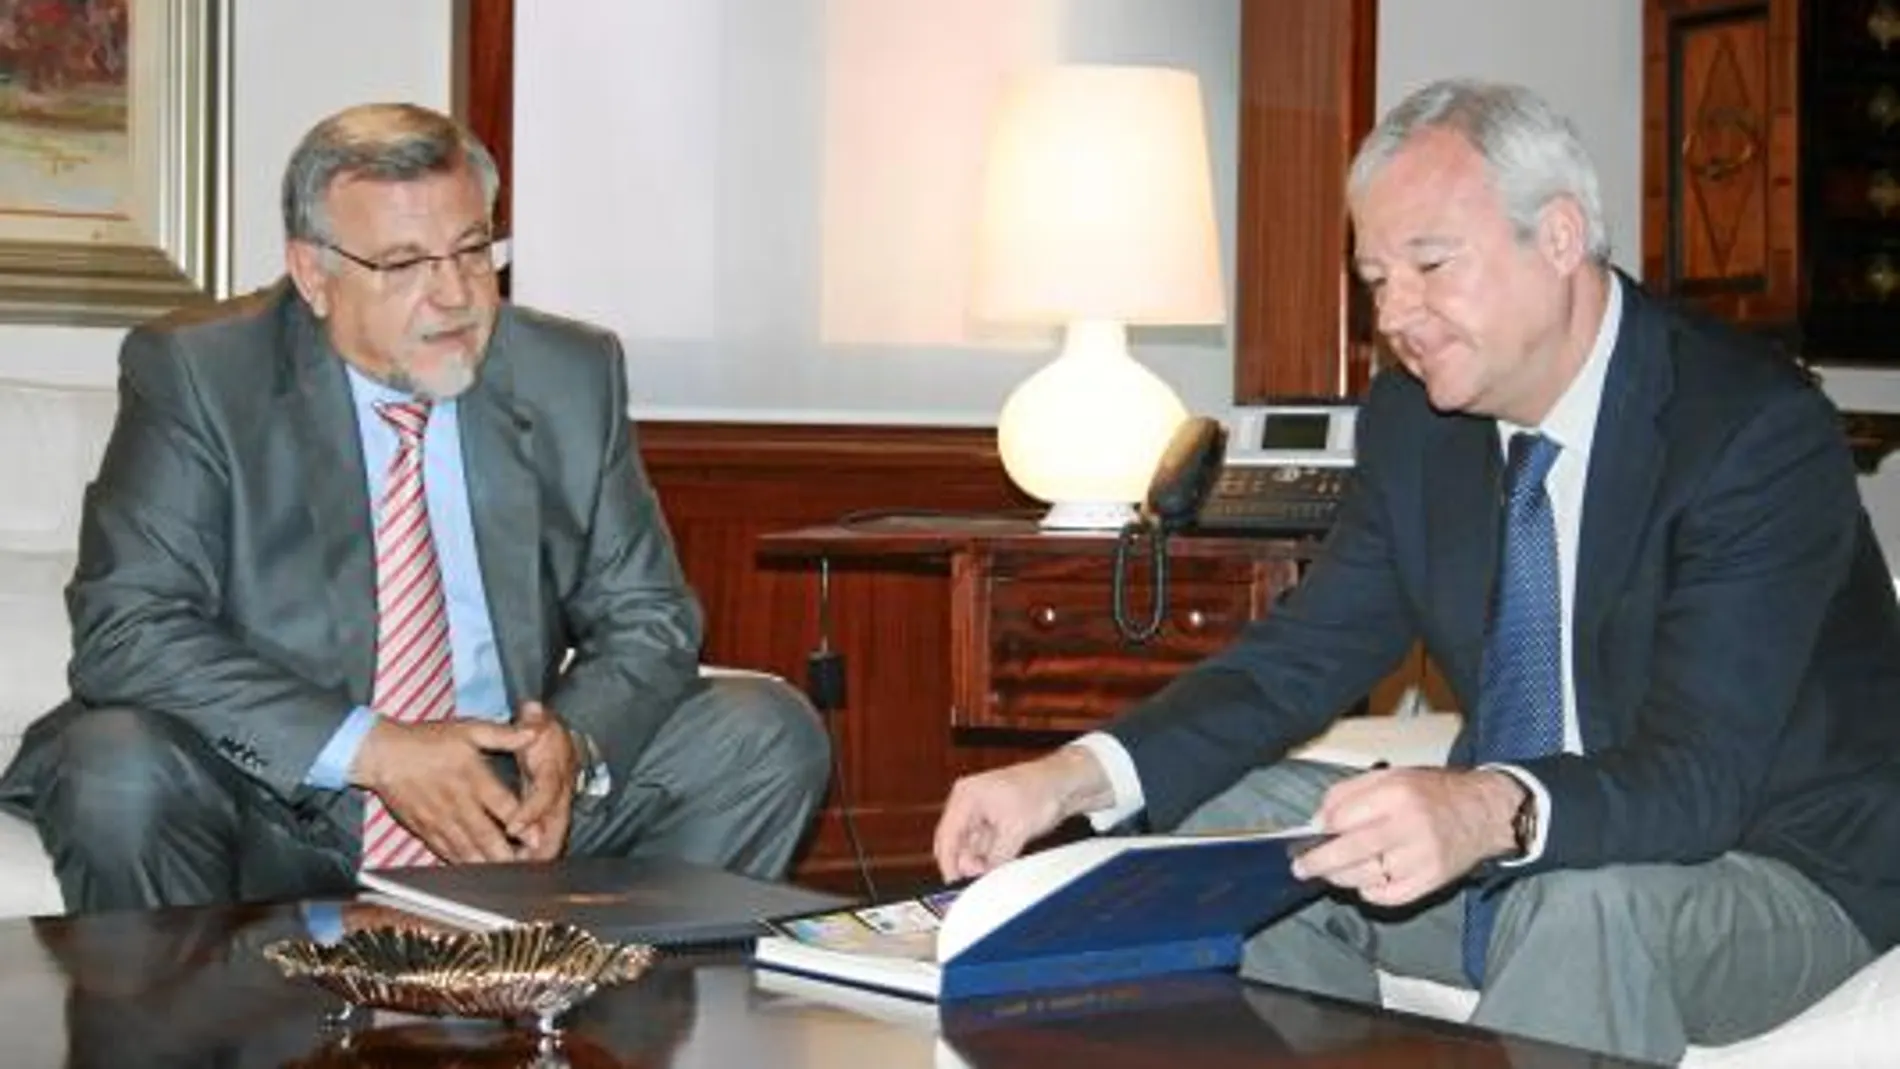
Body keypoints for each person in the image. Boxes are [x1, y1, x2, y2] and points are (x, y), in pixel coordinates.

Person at [932, 78, 1900, 1064]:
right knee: (1224, 831)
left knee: (1584, 906)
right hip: (1525, 841)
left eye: (1430, 265)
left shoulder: (1747, 428)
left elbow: (1698, 779)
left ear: (1558, 238)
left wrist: (1482, 807)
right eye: (1377, 277)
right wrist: (1067, 777)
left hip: (1772, 866)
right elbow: (1294, 660)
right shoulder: (1414, 424)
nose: (1397, 313)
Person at [0, 102, 829, 911]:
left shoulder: (567, 372)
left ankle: (587, 1027)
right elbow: (128, 627)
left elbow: (648, 616)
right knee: (114, 764)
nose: (455, 296)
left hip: (498, 795)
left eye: (472, 251)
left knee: (762, 733)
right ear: (312, 273)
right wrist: (375, 749)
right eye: (404, 264)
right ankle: (197, 1044)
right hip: (276, 798)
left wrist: (571, 745)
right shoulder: (204, 374)